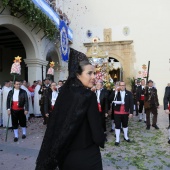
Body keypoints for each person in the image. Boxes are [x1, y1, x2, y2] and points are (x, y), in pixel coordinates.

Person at [36, 48, 105, 170]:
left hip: (65, 156)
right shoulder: (88, 95)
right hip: (86, 155)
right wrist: (101, 140)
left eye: (94, 73)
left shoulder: (64, 93)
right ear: (78, 74)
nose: (94, 77)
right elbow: (96, 132)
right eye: (89, 73)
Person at [109, 81, 133, 146]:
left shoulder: (129, 93)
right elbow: (110, 99)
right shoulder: (115, 92)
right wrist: (115, 92)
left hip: (125, 111)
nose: (122, 86)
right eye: (121, 85)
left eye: (123, 85)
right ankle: (117, 139)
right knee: (117, 125)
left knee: (125, 124)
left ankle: (126, 137)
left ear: (125, 86)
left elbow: (131, 103)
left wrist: (131, 112)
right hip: (117, 112)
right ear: (119, 86)